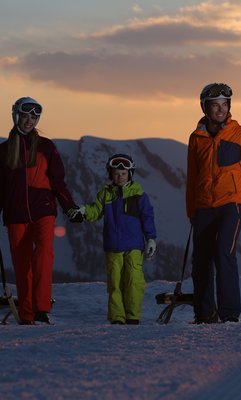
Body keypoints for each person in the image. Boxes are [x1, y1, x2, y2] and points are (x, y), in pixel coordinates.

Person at [186, 82, 241, 324]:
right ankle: (204, 313)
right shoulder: (196, 138)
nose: (220, 110)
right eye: (214, 105)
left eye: (224, 105)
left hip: (232, 203)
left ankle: (230, 313)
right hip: (203, 206)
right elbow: (192, 177)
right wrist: (192, 210)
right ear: (204, 108)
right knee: (201, 259)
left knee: (224, 252)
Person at [0, 96, 79, 325]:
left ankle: (41, 309)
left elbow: (58, 181)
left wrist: (70, 208)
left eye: (34, 117)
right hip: (15, 213)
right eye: (25, 115)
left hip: (43, 209)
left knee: (44, 255)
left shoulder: (46, 146)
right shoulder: (4, 151)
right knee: (22, 263)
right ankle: (26, 315)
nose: (30, 120)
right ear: (16, 116)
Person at [68, 154, 156, 325]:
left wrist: (151, 238)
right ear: (110, 174)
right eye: (116, 174)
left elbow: (147, 217)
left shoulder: (138, 193)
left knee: (133, 281)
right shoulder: (105, 194)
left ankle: (132, 316)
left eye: (123, 174)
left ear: (130, 174)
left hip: (134, 245)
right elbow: (96, 211)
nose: (120, 177)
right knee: (115, 282)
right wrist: (84, 210)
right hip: (113, 246)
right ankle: (117, 317)